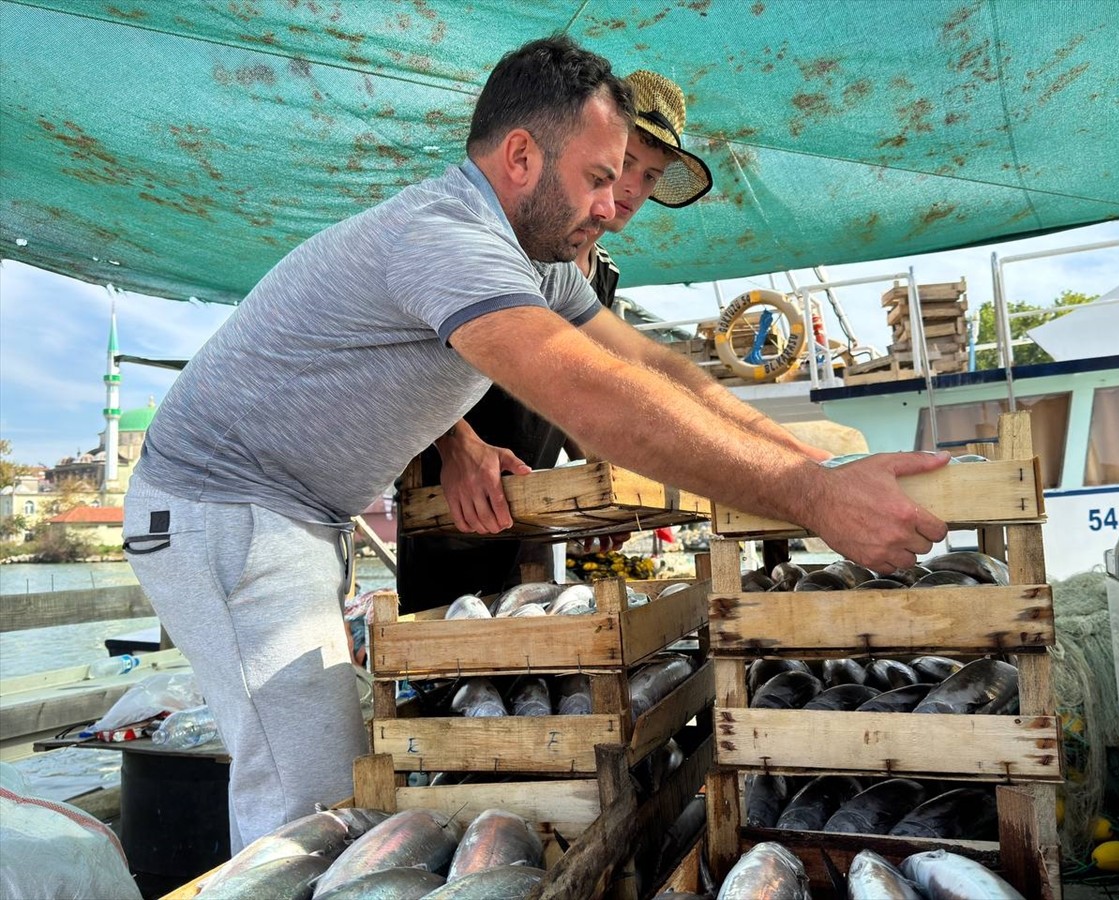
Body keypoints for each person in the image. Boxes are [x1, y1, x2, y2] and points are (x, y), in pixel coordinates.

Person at [122, 34, 949, 851]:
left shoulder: (545, 262)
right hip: (225, 506)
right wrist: (814, 500)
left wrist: (817, 462)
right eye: (598, 177)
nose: (610, 204)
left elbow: (656, 371)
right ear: (520, 156)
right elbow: (596, 402)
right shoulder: (449, 237)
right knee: (310, 796)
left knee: (332, 781)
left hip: (300, 513)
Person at [395, 69, 713, 611]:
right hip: (451, 497)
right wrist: (459, 446)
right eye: (619, 167)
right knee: (447, 652)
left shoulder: (602, 275)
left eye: (651, 176)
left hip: (530, 507)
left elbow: (582, 387)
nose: (630, 189)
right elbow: (408, 346)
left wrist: (602, 483)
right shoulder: (503, 242)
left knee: (525, 646)